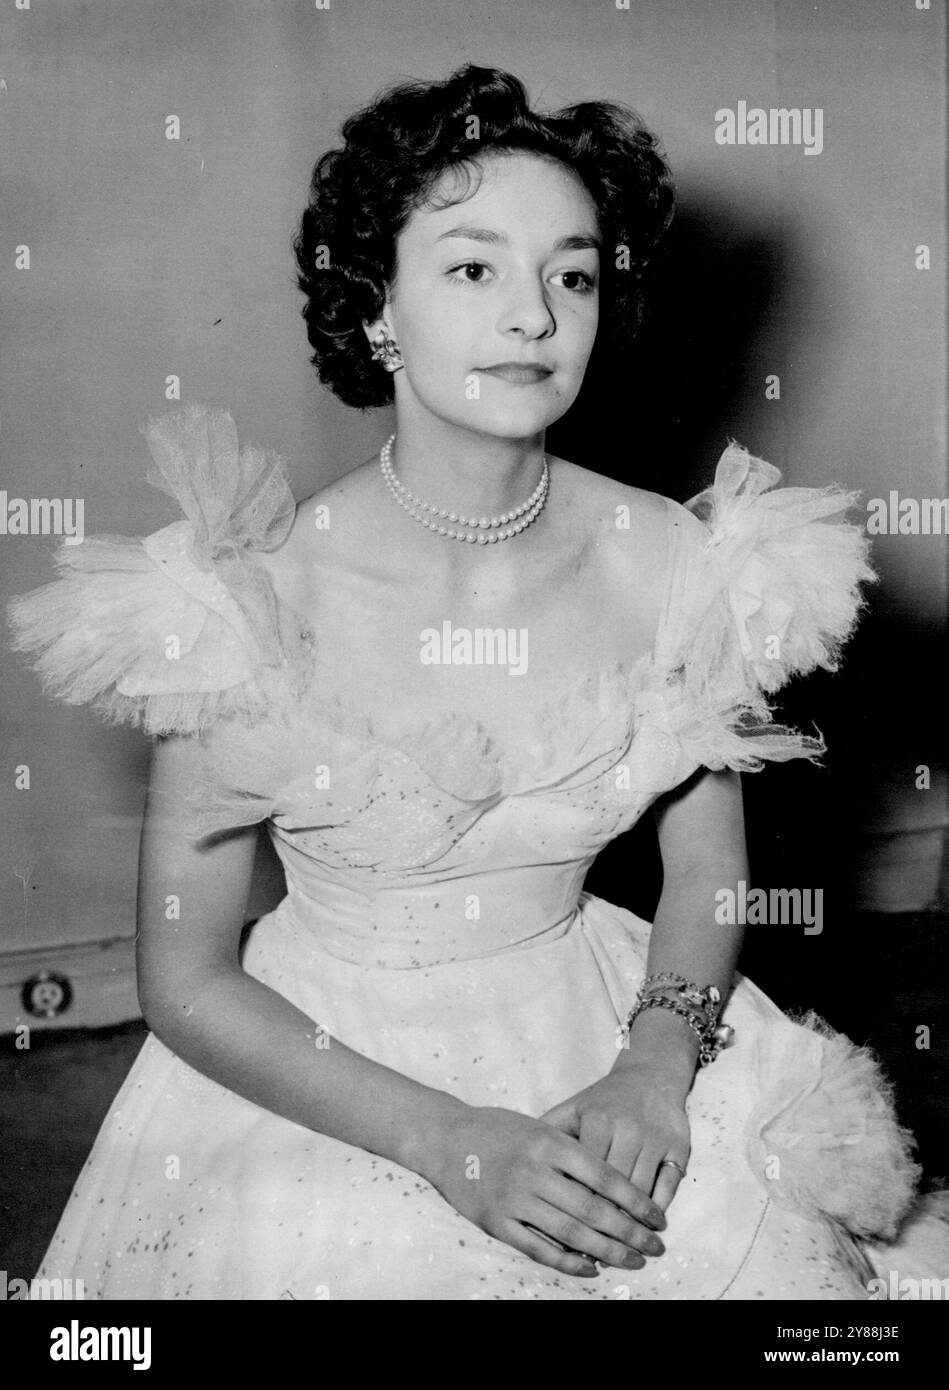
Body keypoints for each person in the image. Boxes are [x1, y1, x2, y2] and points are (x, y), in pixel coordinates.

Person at [7, 64, 946, 1301]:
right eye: (471, 267)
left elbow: (709, 865)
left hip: (607, 1018)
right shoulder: (243, 603)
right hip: (330, 1066)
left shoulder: (684, 560)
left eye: (570, 273)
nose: (534, 315)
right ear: (376, 306)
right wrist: (446, 1141)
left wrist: (654, 1065)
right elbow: (184, 981)